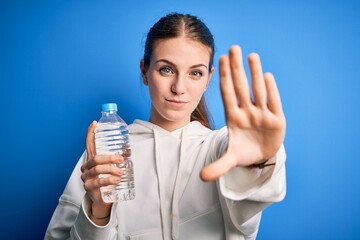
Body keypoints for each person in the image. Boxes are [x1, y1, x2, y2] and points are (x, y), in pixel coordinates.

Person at [45, 12, 286, 240]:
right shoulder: (107, 154)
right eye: (166, 69)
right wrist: (98, 210)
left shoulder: (220, 148)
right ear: (145, 71)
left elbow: (251, 199)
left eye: (195, 73)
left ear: (208, 79)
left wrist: (258, 161)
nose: (179, 87)